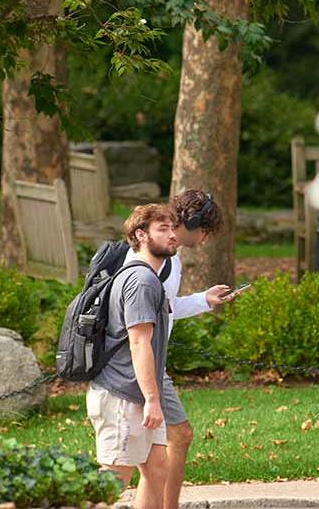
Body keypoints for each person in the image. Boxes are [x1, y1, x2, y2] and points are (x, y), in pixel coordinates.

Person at [90, 204, 183, 509]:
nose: (172, 235)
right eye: (163, 229)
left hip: (138, 395)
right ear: (140, 235)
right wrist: (153, 399)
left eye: (173, 228)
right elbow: (139, 343)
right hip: (123, 395)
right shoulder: (141, 281)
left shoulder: (149, 278)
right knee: (112, 481)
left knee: (158, 470)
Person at [157, 189, 236, 508]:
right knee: (178, 436)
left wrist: (204, 299)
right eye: (203, 231)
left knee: (147, 450)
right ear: (189, 221)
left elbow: (166, 306)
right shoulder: (161, 255)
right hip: (139, 358)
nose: (204, 240)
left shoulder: (169, 257)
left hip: (146, 357)